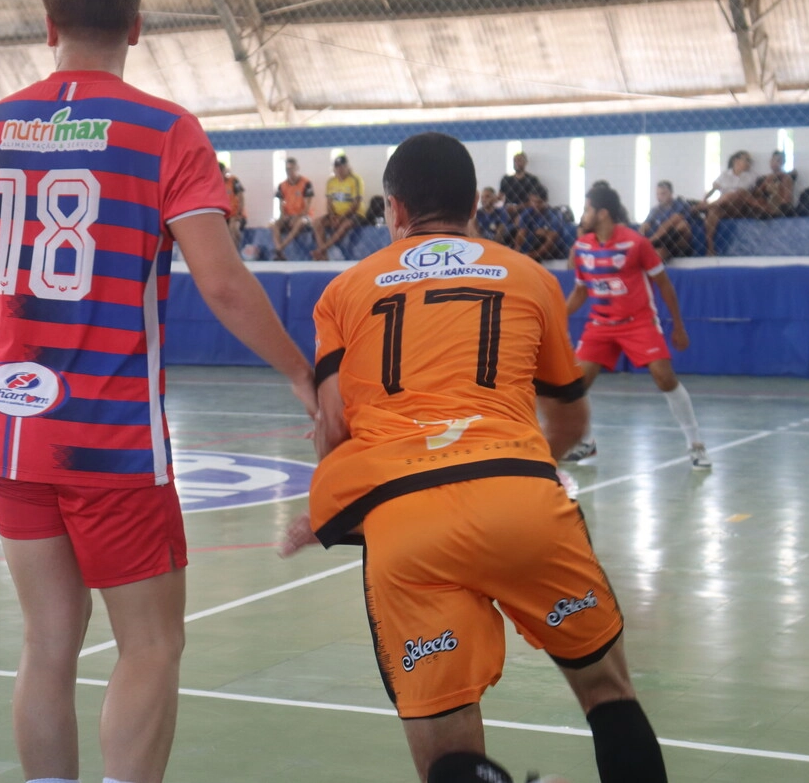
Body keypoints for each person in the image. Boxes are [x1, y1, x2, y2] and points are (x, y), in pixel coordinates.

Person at [0, 0, 316, 783]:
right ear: (136, 26)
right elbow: (225, 284)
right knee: (152, 642)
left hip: (9, 428)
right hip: (112, 439)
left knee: (48, 643)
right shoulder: (165, 132)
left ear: (48, 21)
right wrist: (303, 373)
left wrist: (7, 338)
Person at [280, 133, 668, 783]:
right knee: (608, 689)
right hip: (522, 499)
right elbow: (570, 417)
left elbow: (334, 431)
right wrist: (502, 463)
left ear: (394, 210)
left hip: (407, 524)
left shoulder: (343, 292)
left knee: (445, 741)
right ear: (474, 207)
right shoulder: (531, 278)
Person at [564, 186, 709, 468]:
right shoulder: (582, 247)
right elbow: (581, 291)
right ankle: (586, 443)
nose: (583, 215)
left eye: (587, 209)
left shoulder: (636, 243)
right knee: (576, 384)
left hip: (638, 322)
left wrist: (679, 327)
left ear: (602, 213)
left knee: (664, 377)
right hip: (600, 323)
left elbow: (664, 284)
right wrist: (557, 316)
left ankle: (696, 444)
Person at [694, 151, 758, 256]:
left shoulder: (751, 176)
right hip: (723, 206)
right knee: (713, 212)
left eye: (750, 161)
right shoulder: (725, 174)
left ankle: (703, 207)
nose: (749, 163)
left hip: (740, 206)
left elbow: (744, 192)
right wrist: (704, 199)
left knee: (732, 195)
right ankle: (710, 248)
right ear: (736, 161)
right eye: (746, 160)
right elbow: (714, 189)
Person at [313, 154, 364, 260]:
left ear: (347, 167)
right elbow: (329, 202)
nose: (340, 170)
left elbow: (356, 203)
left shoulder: (355, 180)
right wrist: (332, 216)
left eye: (342, 166)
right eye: (337, 167)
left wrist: (341, 218)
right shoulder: (331, 181)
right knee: (317, 222)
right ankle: (324, 256)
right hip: (336, 214)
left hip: (354, 214)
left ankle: (321, 250)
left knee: (345, 225)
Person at [640, 181, 703, 261]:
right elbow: (646, 224)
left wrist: (652, 239)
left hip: (677, 244)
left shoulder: (680, 204)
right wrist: (643, 228)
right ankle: (649, 244)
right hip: (661, 245)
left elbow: (677, 219)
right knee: (657, 253)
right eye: (657, 194)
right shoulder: (655, 210)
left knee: (681, 223)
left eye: (663, 194)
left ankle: (651, 242)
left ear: (671, 193)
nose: (659, 197)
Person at [272, 156, 314, 259]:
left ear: (297, 168)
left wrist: (297, 217)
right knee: (275, 224)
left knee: (300, 222)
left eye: (291, 169)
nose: (289, 172)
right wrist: (283, 217)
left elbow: (307, 206)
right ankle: (279, 251)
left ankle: (280, 248)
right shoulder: (282, 185)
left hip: (304, 216)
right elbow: (281, 205)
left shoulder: (306, 183)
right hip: (288, 216)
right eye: (287, 169)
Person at [512, 184, 563, 261]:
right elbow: (521, 234)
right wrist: (516, 253)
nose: (535, 205)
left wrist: (533, 255)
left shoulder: (554, 215)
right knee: (511, 231)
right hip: (529, 247)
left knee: (539, 237)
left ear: (546, 200)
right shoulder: (528, 212)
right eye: (533, 201)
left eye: (539, 202)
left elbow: (551, 240)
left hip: (550, 251)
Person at [753, 150, 796, 217]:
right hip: (765, 205)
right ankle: (768, 211)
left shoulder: (786, 177)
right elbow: (756, 194)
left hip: (781, 206)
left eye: (778, 161)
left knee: (785, 180)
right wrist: (767, 181)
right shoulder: (763, 178)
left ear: (783, 163)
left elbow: (787, 198)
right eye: (773, 160)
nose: (775, 163)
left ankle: (777, 211)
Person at [221, 161, 246, 248]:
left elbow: (241, 198)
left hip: (236, 214)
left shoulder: (233, 181)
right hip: (222, 216)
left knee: (233, 228)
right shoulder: (215, 184)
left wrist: (238, 214)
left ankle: (234, 251)